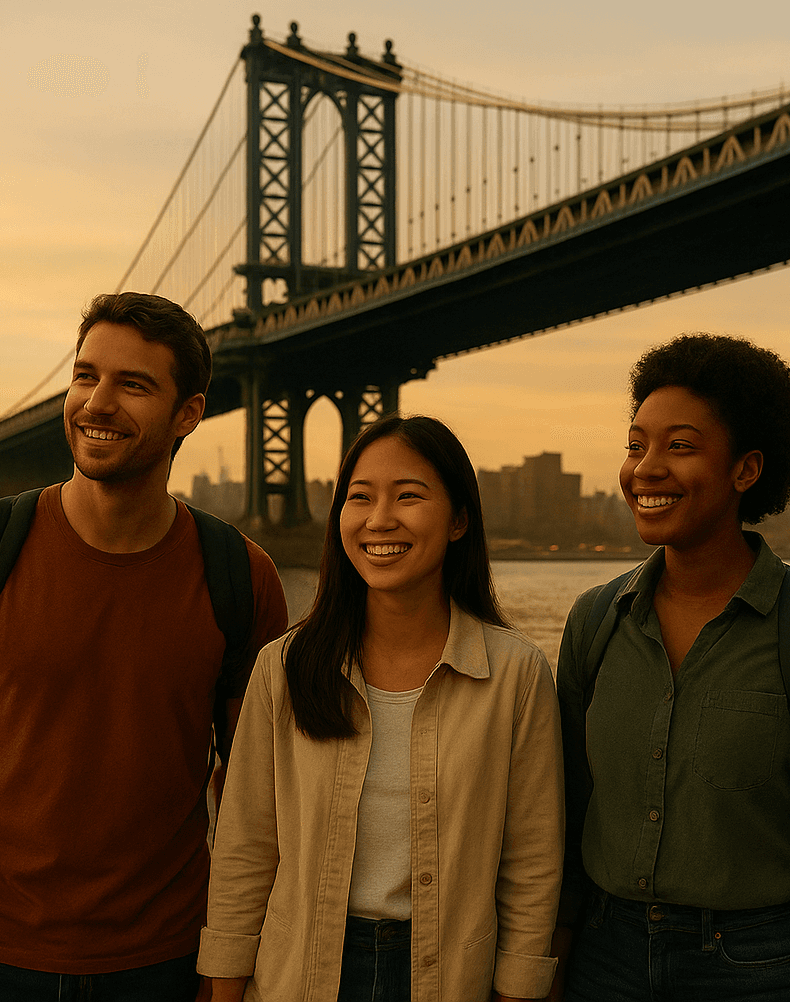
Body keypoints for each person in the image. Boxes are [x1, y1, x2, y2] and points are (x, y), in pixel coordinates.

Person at [0, 292, 290, 1001]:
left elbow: (252, 791)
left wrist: (233, 962)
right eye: (85, 375)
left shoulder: (240, 576)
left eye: (133, 385)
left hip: (166, 962)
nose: (96, 402)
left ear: (189, 412)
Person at [555, 334, 790, 1002]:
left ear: (746, 470)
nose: (646, 468)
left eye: (680, 446)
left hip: (759, 970)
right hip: (603, 958)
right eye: (635, 444)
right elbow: (564, 818)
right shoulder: (596, 623)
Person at [198, 414, 565, 1002]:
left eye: (409, 497)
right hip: (301, 973)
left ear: (459, 520)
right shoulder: (285, 667)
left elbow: (532, 861)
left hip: (448, 976)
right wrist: (223, 984)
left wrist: (519, 988)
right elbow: (246, 845)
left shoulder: (515, 675)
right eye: (359, 498)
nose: (379, 521)